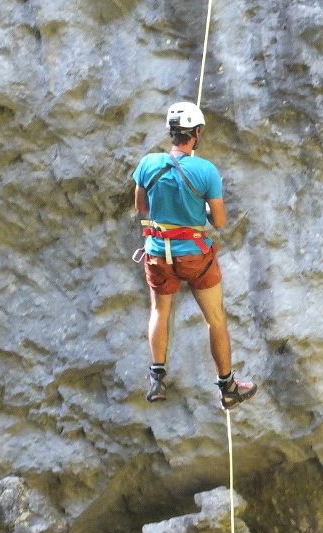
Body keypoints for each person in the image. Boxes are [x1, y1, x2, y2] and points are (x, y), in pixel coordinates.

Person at [132, 101, 257, 409]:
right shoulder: (205, 170)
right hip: (194, 258)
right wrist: (196, 208)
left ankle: (157, 377)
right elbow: (220, 221)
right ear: (196, 133)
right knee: (215, 318)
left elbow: (142, 208)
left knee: (160, 312)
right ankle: (227, 387)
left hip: (159, 255)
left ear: (171, 132)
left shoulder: (148, 163)